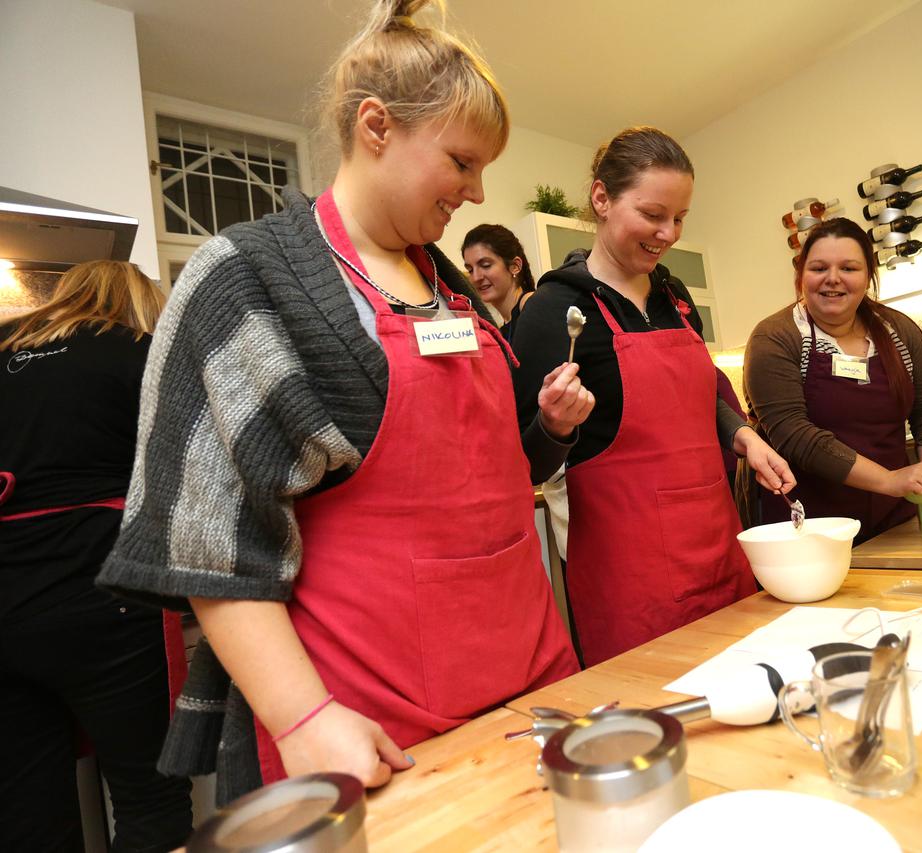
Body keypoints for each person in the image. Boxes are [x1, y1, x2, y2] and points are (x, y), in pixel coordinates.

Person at [98, 0, 592, 803]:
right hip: (375, 715)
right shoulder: (247, 278)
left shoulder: (449, 284)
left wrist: (549, 433)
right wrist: (303, 718)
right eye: (463, 161)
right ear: (376, 127)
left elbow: (492, 476)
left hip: (533, 676)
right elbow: (211, 539)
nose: (475, 191)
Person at [512, 126, 795, 667]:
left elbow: (700, 391)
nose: (668, 233)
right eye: (652, 214)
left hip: (717, 548)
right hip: (631, 579)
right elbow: (523, 463)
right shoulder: (554, 311)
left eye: (680, 218)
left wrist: (743, 436)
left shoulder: (675, 295)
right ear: (602, 199)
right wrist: (554, 426)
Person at [0, 260, 193, 851]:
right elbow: (187, 474)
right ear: (141, 305)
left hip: (7, 604)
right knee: (149, 797)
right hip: (111, 598)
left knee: (26, 810)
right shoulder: (142, 351)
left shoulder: (5, 348)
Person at [743, 217, 922, 545]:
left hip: (894, 521)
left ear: (869, 275)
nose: (833, 279)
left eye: (849, 268)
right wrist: (890, 480)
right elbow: (795, 435)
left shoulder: (899, 331)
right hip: (812, 528)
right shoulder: (776, 338)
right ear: (801, 275)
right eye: (819, 268)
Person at [461, 223, 536, 340]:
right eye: (470, 270)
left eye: (486, 265)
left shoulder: (532, 304)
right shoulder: (503, 329)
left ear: (515, 266)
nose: (476, 278)